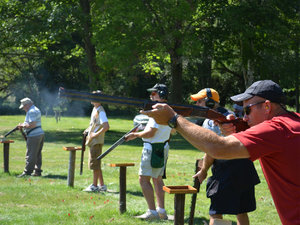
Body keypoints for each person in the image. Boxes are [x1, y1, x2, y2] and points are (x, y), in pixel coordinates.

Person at [141, 80, 300, 225]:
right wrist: (236, 130)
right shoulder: (294, 122)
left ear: (267, 106)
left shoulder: (276, 129)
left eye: (247, 110)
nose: (244, 117)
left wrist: (174, 119)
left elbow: (219, 148)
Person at [190, 88, 260, 225]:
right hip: (244, 169)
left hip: (226, 171)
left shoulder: (215, 121)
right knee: (241, 211)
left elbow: (213, 151)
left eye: (200, 101)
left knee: (215, 212)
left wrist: (203, 170)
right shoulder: (230, 116)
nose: (197, 105)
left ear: (210, 103)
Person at [125, 84, 172, 220]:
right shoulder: (168, 110)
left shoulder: (157, 111)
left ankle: (152, 212)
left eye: (154, 94)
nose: (151, 96)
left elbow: (151, 132)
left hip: (152, 148)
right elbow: (170, 131)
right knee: (157, 179)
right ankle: (161, 211)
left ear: (162, 95)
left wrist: (136, 135)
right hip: (162, 147)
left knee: (143, 179)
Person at [83, 90, 110, 192]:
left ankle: (94, 186)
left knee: (94, 164)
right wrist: (87, 131)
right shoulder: (95, 109)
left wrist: (95, 134)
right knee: (96, 163)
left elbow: (106, 126)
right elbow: (94, 125)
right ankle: (102, 185)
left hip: (96, 141)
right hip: (93, 140)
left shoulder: (101, 111)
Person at [17, 97, 45, 177]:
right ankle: (37, 171)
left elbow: (32, 124)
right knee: (37, 154)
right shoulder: (35, 109)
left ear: (27, 105)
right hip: (38, 134)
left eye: (24, 107)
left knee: (31, 154)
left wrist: (22, 125)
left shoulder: (32, 111)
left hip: (34, 135)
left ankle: (27, 172)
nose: (23, 109)